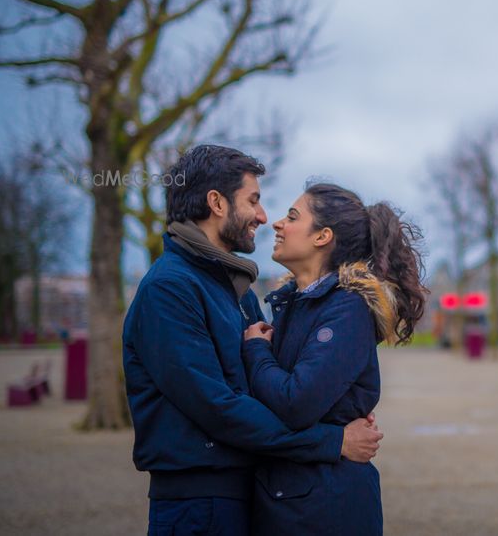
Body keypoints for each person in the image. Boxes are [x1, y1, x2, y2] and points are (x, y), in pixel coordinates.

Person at [123, 146, 382, 536]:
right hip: (197, 503)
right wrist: (333, 440)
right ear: (217, 203)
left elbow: (274, 384)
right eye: (254, 201)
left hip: (248, 493)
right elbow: (219, 407)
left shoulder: (236, 289)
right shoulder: (170, 289)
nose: (263, 217)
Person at [242, 182, 426, 536]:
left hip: (323, 507)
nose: (277, 224)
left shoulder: (346, 308)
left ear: (322, 236)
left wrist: (256, 350)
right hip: (293, 499)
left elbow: (296, 402)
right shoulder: (296, 303)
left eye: (293, 217)